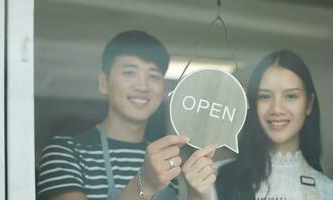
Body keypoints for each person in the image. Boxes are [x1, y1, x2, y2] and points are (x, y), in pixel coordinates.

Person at [36, 30, 216, 200]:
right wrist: (144, 183)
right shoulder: (64, 153)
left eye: (153, 75)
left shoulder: (167, 159)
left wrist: (196, 195)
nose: (142, 86)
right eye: (129, 72)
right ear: (103, 83)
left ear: (162, 89)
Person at [213, 50, 333, 199]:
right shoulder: (215, 177)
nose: (276, 109)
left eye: (291, 96)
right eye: (265, 96)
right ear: (253, 104)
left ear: (309, 104)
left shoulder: (327, 190)